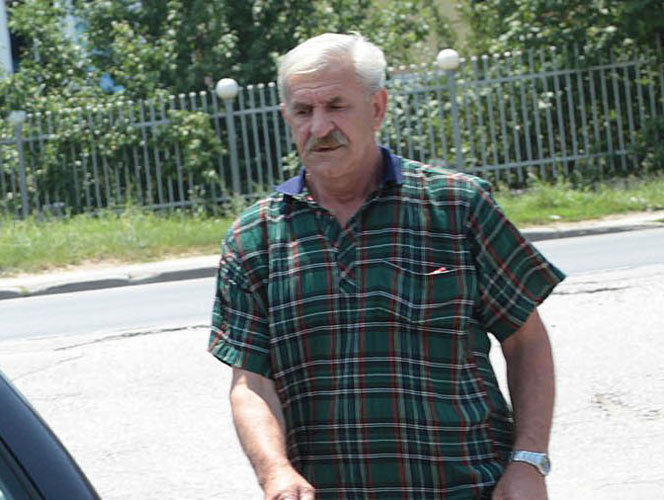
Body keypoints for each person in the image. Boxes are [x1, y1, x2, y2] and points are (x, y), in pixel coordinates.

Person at [209, 32, 565, 500]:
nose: (320, 126)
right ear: (286, 117)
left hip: (470, 488)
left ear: (377, 108)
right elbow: (250, 383)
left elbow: (526, 342)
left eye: (336, 106)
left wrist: (529, 460)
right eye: (304, 111)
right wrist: (275, 472)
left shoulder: (457, 206)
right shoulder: (254, 238)